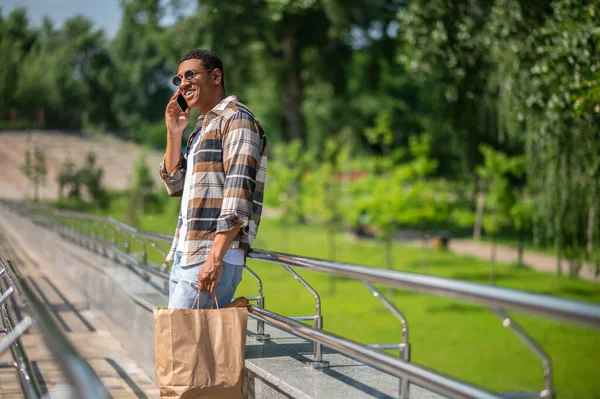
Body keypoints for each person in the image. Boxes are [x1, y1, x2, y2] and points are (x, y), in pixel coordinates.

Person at [160, 49, 267, 309]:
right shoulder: (200, 129)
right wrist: (174, 133)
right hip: (187, 253)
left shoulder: (237, 119)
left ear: (216, 76)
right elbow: (174, 185)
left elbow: (238, 193)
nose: (183, 83)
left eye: (190, 75)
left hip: (211, 256)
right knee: (183, 345)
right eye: (179, 79)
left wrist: (214, 258)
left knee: (184, 346)